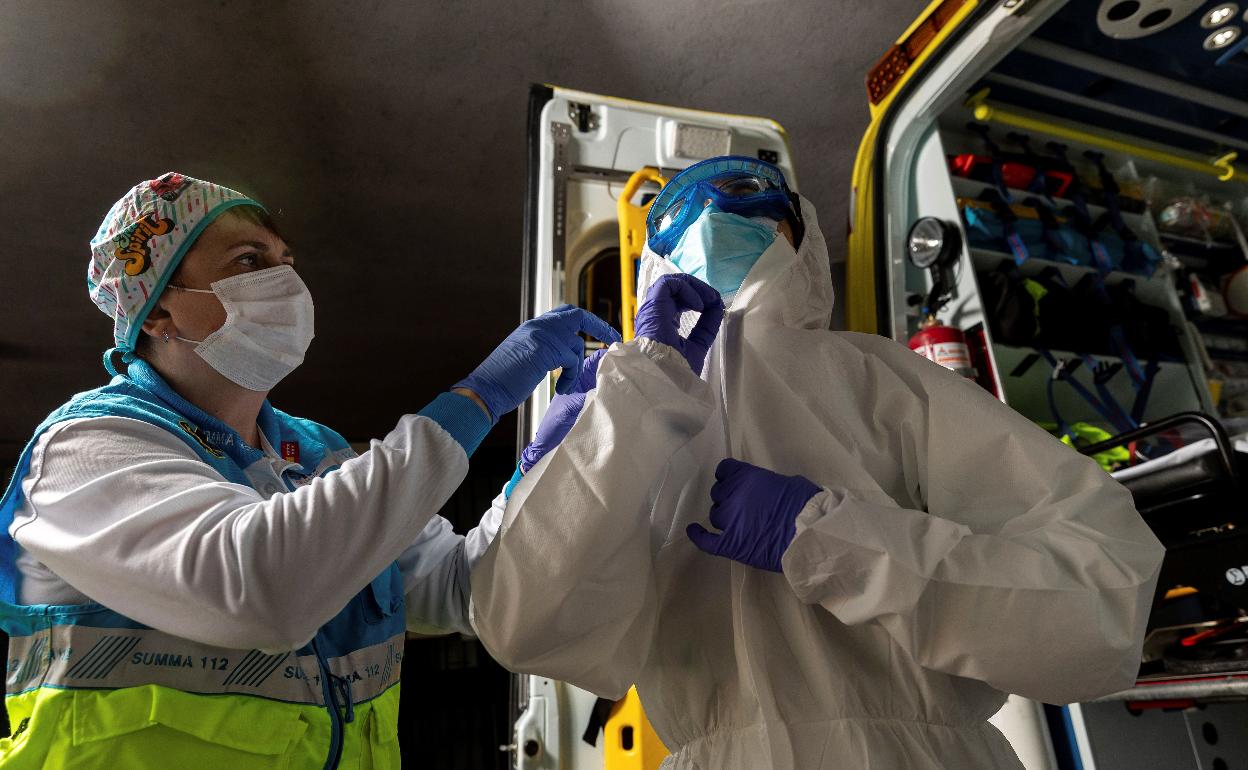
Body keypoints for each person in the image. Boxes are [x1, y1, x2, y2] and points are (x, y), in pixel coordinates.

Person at [470, 156, 1166, 769]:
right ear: (656, 265)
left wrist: (830, 540)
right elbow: (523, 627)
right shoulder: (632, 412)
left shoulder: (880, 378)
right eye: (677, 216)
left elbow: (1103, 605)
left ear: (801, 239)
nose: (710, 220)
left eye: (746, 196)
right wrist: (607, 426)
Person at [0, 172, 618, 769]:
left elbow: (463, 587)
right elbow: (262, 591)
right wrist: (476, 402)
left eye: (285, 260)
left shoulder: (315, 454)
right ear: (157, 310)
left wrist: (547, 467)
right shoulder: (87, 449)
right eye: (248, 261)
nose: (285, 282)